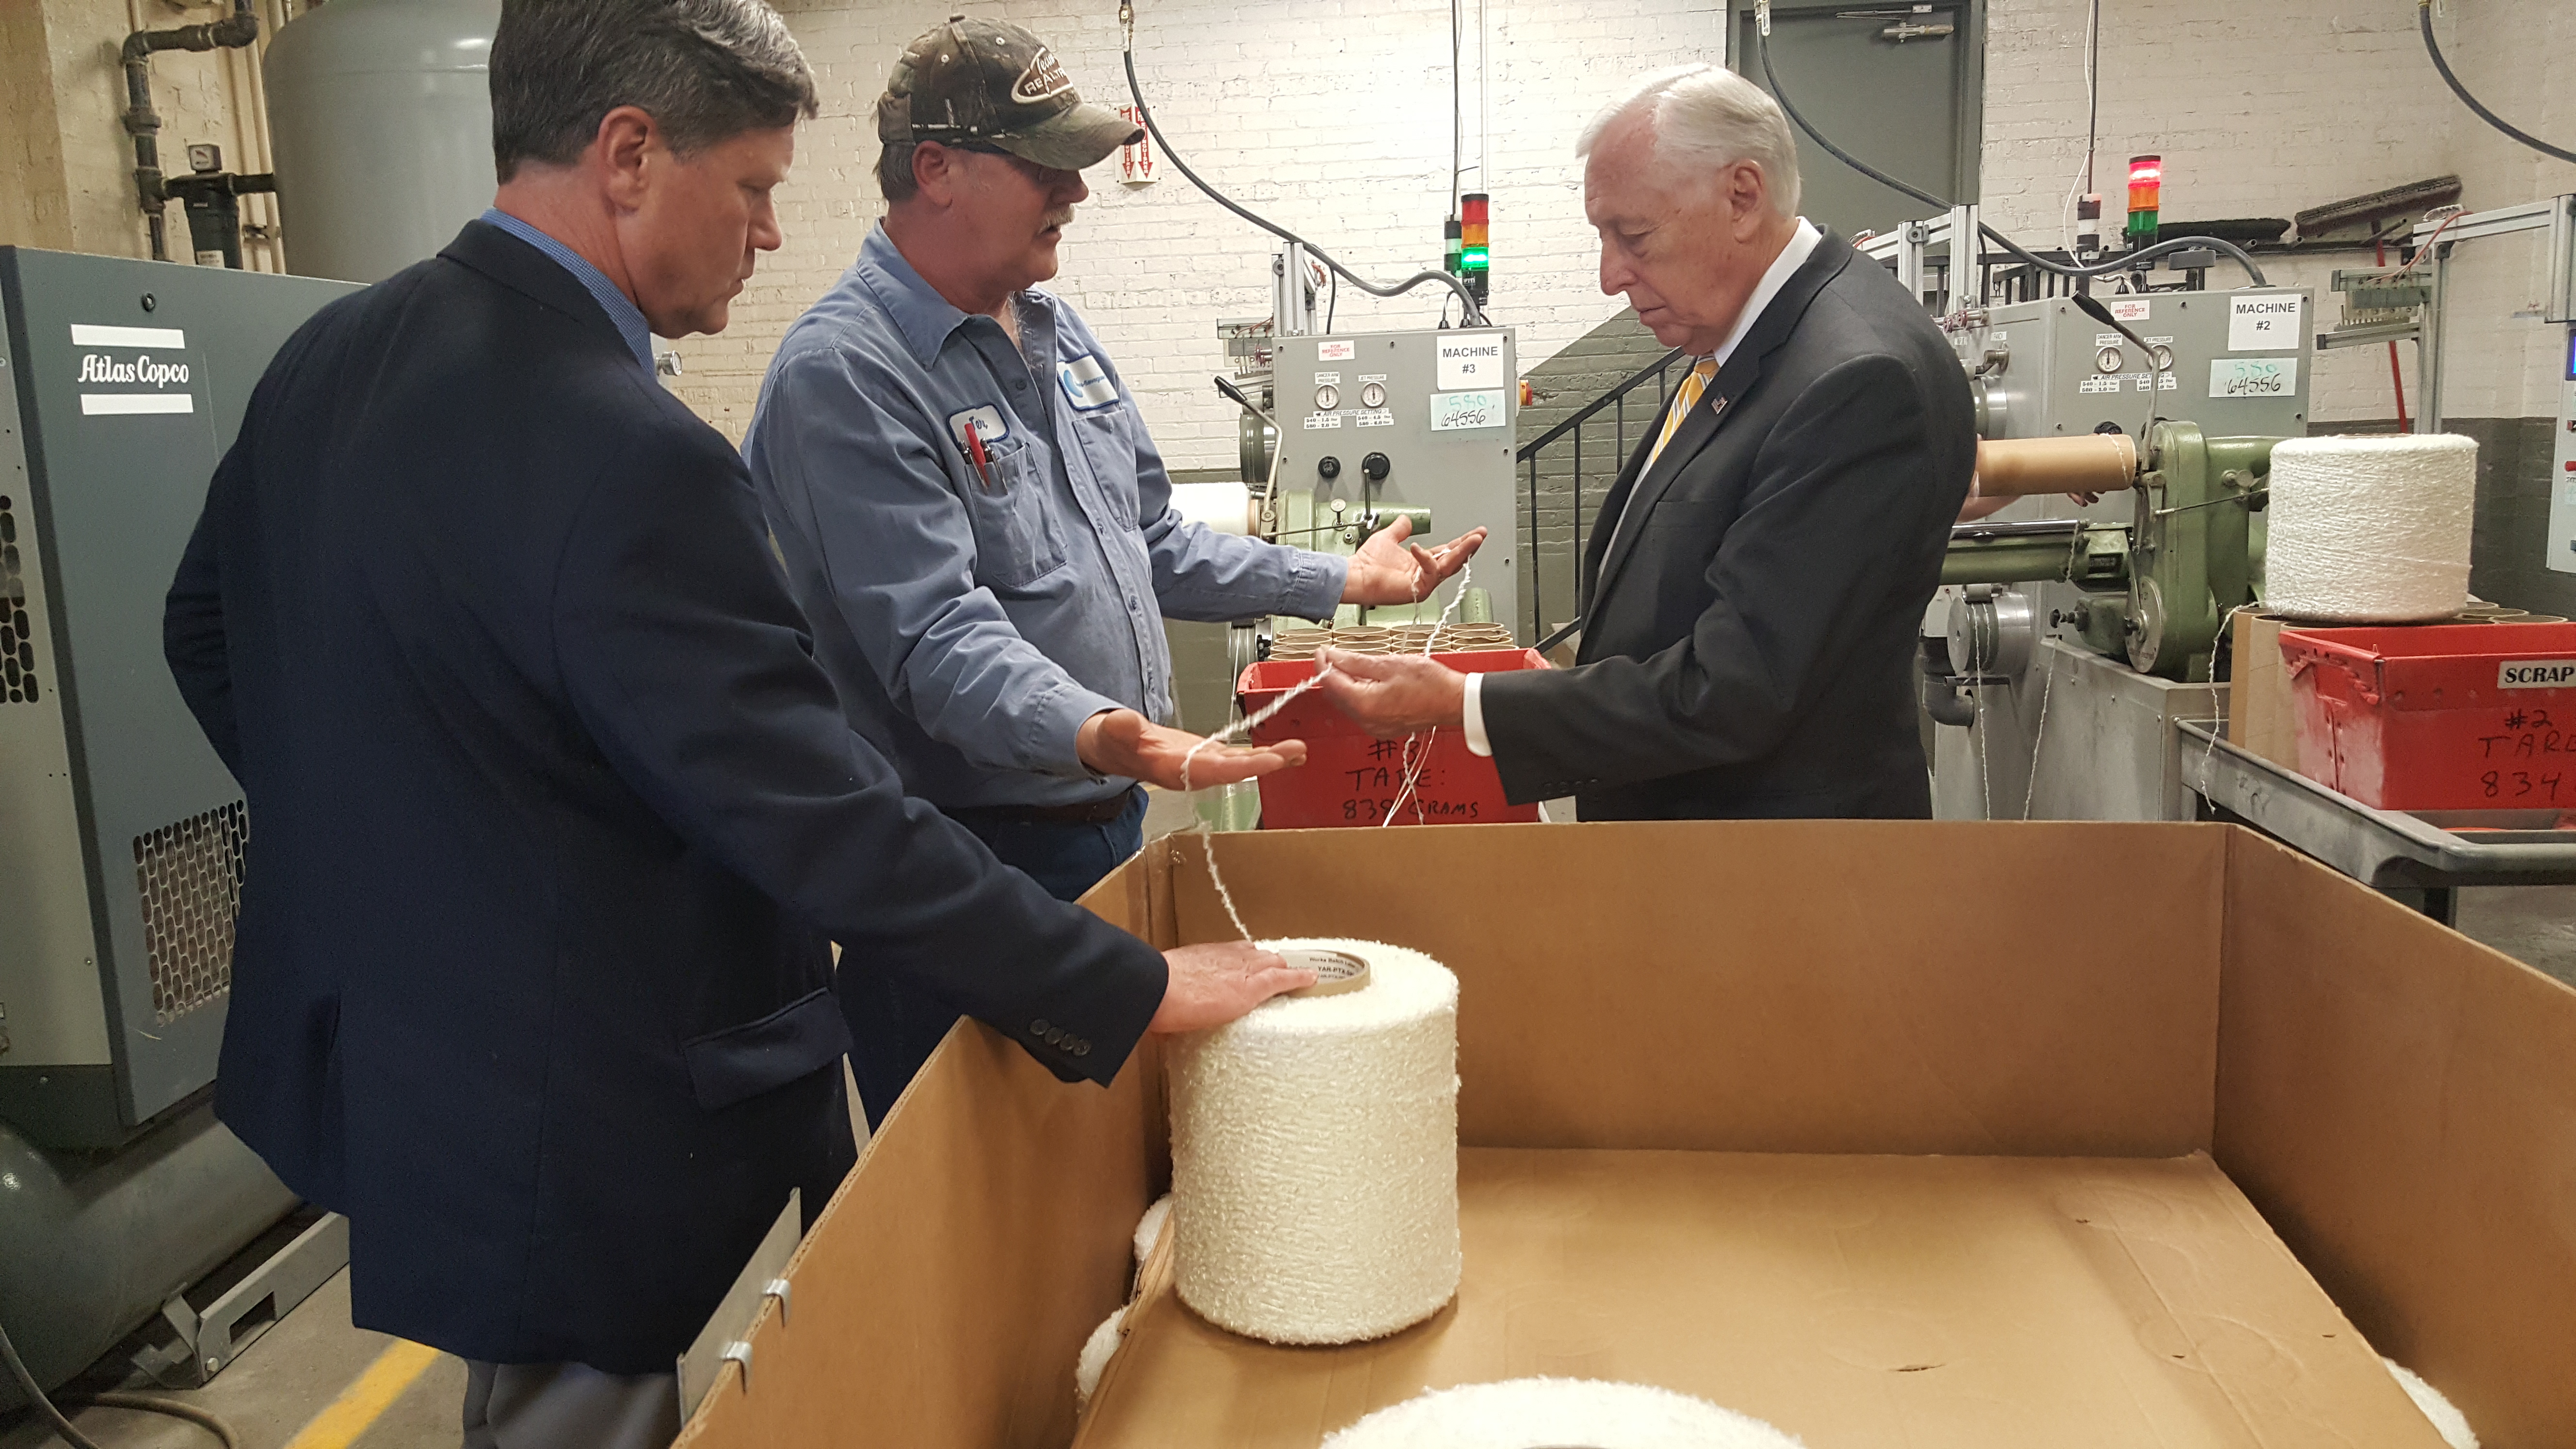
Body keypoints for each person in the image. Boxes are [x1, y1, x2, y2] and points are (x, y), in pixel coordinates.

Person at [161, 3, 1309, 1446]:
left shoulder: (331, 354)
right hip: (582, 1085)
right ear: (631, 154)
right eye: (759, 187)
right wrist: (1128, 984)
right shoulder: (629, 448)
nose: (772, 233)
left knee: (524, 1378)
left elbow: (204, 630)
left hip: (403, 1035)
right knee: (582, 1402)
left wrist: (402, 847)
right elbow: (824, 816)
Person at [740, 16, 1481, 1109]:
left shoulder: (1058, 336)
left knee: (1102, 1162)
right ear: (935, 170)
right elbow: (939, 642)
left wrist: (1335, 581)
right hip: (967, 877)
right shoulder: (845, 375)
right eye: (1046, 166)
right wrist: (1106, 733)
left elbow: (1152, 545)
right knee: (993, 1208)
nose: (1076, 191)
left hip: (1108, 835)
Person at [1317, 62, 1975, 821]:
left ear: (1742, 196)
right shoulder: (1760, 337)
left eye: (1633, 236)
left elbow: (1736, 689)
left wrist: (1471, 704)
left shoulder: (1852, 379)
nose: (1609, 276)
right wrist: (1566, 686)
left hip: (1776, 876)